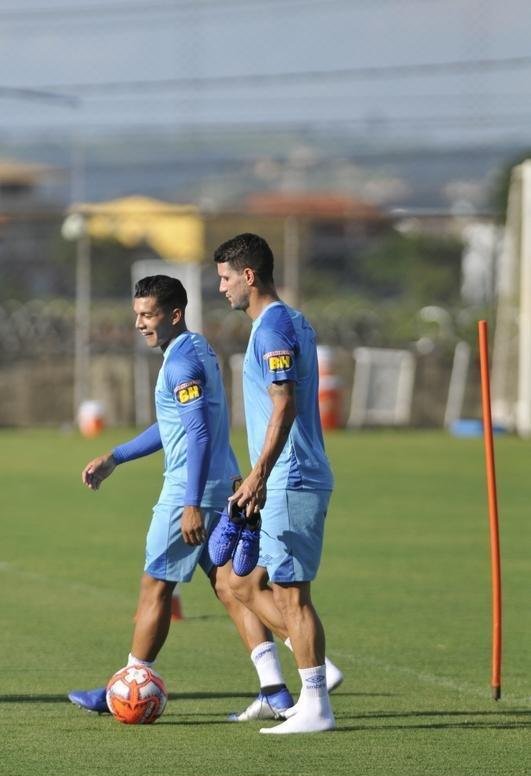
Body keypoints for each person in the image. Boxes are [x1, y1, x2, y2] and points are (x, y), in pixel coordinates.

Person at [68, 274, 340, 720]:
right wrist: (116, 456)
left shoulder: (180, 364)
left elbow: (195, 433)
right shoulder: (193, 350)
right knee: (232, 587)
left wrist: (191, 502)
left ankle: (129, 682)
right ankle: (277, 689)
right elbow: (174, 424)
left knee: (155, 584)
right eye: (136, 314)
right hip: (224, 481)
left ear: (174, 314)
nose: (140, 323)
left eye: (148, 314)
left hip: (189, 491)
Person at [213, 233, 338, 734]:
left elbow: (284, 403)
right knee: (239, 581)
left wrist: (261, 473)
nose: (220, 288)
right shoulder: (287, 322)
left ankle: (316, 705)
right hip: (279, 474)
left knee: (291, 595)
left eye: (224, 277)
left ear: (248, 275)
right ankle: (317, 670)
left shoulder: (274, 328)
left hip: (292, 476)